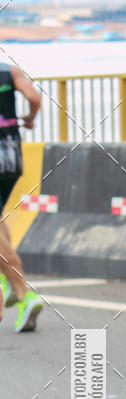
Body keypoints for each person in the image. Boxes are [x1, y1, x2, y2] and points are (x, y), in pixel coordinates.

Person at [0, 62, 43, 333]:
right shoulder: (9, 71)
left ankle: (22, 292)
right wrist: (30, 117)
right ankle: (8, 286)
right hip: (12, 156)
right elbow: (34, 98)